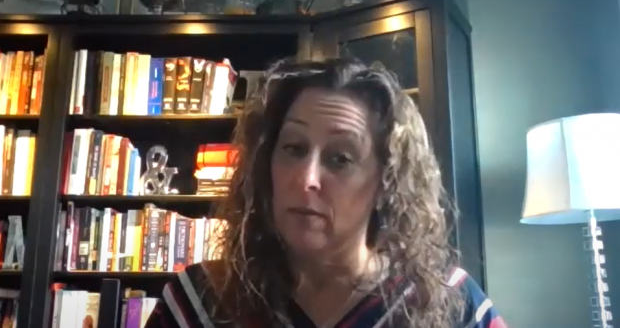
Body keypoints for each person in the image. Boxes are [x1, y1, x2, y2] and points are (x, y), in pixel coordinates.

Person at [143, 58, 507, 328]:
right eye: (294, 149)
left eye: (340, 158)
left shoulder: (450, 304)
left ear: (387, 183)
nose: (307, 179)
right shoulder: (198, 303)